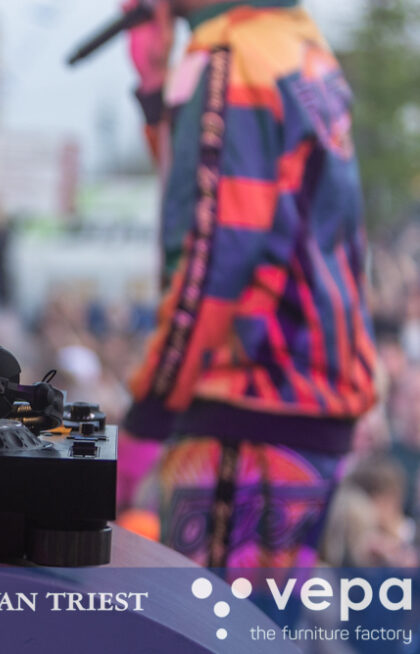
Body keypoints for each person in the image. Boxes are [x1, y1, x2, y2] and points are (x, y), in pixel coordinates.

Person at [122, 0, 377, 569]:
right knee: (264, 617)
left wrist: (148, 416)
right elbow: (202, 187)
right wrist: (157, 84)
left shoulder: (231, 57)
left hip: (249, 409)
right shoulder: (292, 41)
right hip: (298, 408)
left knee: (216, 617)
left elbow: (211, 257)